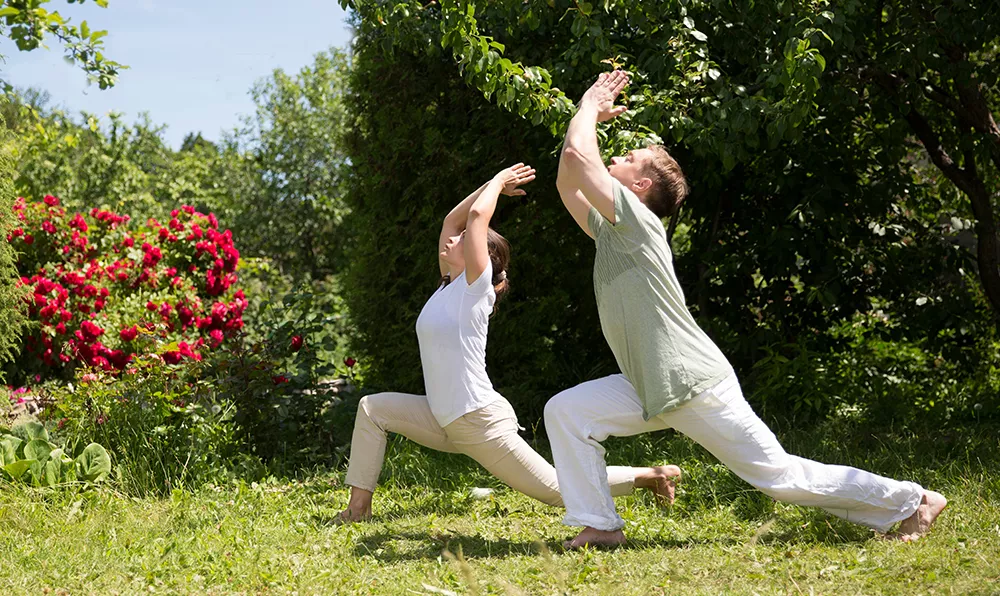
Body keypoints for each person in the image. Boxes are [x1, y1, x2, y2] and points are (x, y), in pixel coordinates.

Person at [546, 70, 947, 549]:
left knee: (779, 477)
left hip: (692, 383)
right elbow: (567, 176)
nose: (616, 156)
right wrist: (585, 111)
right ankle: (600, 526)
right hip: (650, 383)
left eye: (628, 158)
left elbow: (577, 155)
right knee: (567, 412)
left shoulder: (638, 224)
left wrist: (591, 104)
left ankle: (913, 500)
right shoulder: (611, 230)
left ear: (640, 186)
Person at [338, 163, 681, 522]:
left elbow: (474, 217)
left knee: (555, 490)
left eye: (463, 240)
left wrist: (499, 182)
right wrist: (492, 183)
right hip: (443, 417)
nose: (452, 239)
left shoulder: (475, 288)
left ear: (478, 257)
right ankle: (357, 509)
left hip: (477, 419)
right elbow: (452, 222)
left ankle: (652, 476)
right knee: (372, 409)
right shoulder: (447, 285)